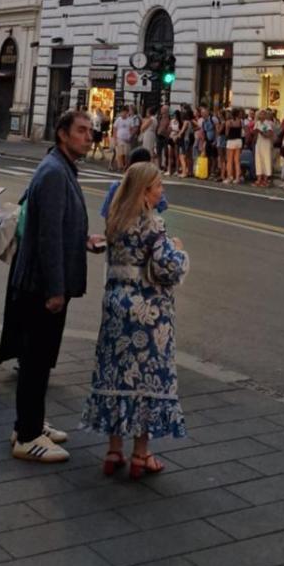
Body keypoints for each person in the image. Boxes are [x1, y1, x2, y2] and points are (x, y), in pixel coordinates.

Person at [4, 109, 100, 463]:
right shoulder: (56, 172)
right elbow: (48, 236)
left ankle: (29, 423)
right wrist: (55, 289)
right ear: (62, 134)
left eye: (90, 131)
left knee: (40, 359)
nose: (89, 137)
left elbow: (58, 225)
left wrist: (82, 239)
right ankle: (28, 437)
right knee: (36, 359)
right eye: (81, 130)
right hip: (41, 285)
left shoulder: (60, 167)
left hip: (41, 280)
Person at [82, 162, 188, 476]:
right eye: (158, 186)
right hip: (147, 309)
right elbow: (167, 267)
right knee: (146, 378)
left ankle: (114, 450)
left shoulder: (115, 221)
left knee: (115, 374)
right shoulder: (153, 224)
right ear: (144, 192)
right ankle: (141, 454)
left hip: (116, 304)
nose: (162, 191)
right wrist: (178, 250)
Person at [254, 110, 274, 186]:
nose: (261, 115)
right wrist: (255, 132)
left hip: (266, 144)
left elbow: (269, 134)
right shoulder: (257, 123)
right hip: (259, 143)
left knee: (266, 160)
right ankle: (259, 179)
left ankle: (265, 179)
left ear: (265, 115)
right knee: (258, 160)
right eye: (260, 114)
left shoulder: (268, 123)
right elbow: (255, 134)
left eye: (263, 114)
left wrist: (261, 132)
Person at [112, 105, 134, 171]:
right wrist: (115, 139)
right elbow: (115, 129)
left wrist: (130, 136)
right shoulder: (118, 119)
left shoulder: (130, 120)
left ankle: (125, 166)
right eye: (122, 112)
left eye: (124, 112)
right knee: (120, 154)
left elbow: (131, 129)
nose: (123, 114)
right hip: (119, 138)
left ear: (127, 113)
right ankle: (120, 167)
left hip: (127, 139)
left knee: (126, 154)